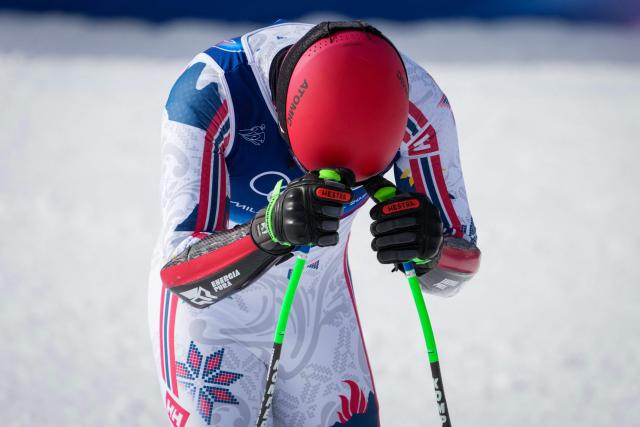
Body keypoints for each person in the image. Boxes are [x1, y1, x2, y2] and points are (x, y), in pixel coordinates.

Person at [148, 20, 481, 427]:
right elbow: (181, 275)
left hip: (319, 309)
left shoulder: (419, 104)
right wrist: (266, 233)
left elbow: (458, 267)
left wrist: (430, 247)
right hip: (213, 323)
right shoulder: (211, 93)